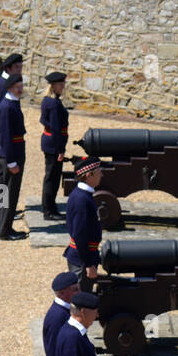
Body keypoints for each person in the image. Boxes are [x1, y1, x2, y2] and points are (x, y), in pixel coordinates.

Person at [0, 53, 23, 220]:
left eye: (21, 67)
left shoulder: (7, 83)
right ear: (8, 68)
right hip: (4, 135)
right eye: (17, 68)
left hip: (4, 133)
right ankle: (2, 209)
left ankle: (0, 207)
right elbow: (1, 114)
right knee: (3, 175)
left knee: (1, 175)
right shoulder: (3, 86)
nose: (19, 71)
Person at [0, 75, 27, 241]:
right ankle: (6, 230)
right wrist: (12, 162)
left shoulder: (12, 102)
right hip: (11, 154)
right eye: (17, 87)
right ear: (9, 88)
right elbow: (6, 136)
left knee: (2, 190)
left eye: (21, 86)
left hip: (8, 154)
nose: (20, 89)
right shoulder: (8, 107)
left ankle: (2, 223)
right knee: (9, 192)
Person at [64, 156, 103, 289]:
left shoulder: (81, 195)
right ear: (88, 175)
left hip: (82, 257)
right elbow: (80, 235)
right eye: (99, 172)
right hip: (81, 260)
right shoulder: (82, 200)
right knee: (80, 300)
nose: (101, 175)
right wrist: (89, 264)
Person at [40, 71, 69, 220]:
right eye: (60, 84)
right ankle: (49, 211)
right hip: (54, 145)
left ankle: (50, 207)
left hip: (49, 142)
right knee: (52, 178)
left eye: (63, 83)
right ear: (53, 85)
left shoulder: (48, 100)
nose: (63, 86)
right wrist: (61, 150)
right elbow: (57, 130)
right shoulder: (54, 104)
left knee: (51, 177)